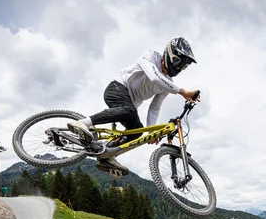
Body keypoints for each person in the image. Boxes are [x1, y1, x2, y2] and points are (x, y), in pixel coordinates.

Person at [68, 37, 201, 175]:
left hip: (128, 106)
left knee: (137, 131)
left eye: (183, 66)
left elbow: (155, 107)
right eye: (178, 62)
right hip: (117, 88)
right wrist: (183, 91)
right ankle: (82, 123)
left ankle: (106, 156)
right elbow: (155, 77)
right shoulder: (150, 56)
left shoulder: (168, 83)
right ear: (169, 54)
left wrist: (151, 131)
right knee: (129, 110)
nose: (179, 67)